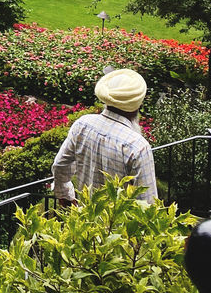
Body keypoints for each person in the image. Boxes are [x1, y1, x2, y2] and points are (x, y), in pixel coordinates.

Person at [52, 68, 157, 204]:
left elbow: (60, 165)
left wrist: (65, 196)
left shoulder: (82, 125)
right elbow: (147, 203)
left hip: (84, 219)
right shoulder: (137, 146)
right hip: (117, 224)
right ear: (138, 103)